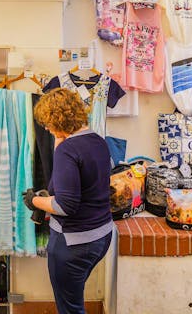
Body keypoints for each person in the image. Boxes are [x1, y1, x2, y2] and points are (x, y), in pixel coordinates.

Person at [24, 88, 113, 314]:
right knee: (74, 297)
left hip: (74, 244)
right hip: (101, 237)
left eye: (47, 122)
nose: (45, 127)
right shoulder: (98, 141)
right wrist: (59, 138)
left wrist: (34, 201)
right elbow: (67, 183)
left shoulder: (69, 150)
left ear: (57, 119)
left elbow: (65, 205)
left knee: (70, 309)